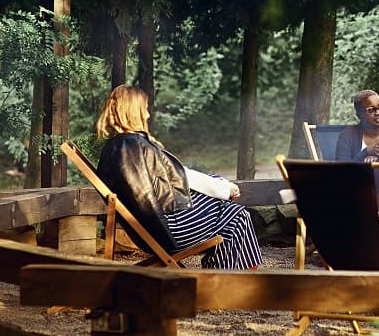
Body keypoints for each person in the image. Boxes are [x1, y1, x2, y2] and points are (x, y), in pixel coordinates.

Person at [95, 84, 262, 270]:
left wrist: (220, 186)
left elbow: (175, 177)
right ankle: (230, 286)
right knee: (238, 216)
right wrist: (223, 190)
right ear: (133, 111)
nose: (148, 115)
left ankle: (219, 283)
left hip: (149, 230)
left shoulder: (116, 147)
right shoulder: (132, 147)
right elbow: (151, 197)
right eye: (145, 110)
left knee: (231, 211)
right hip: (165, 230)